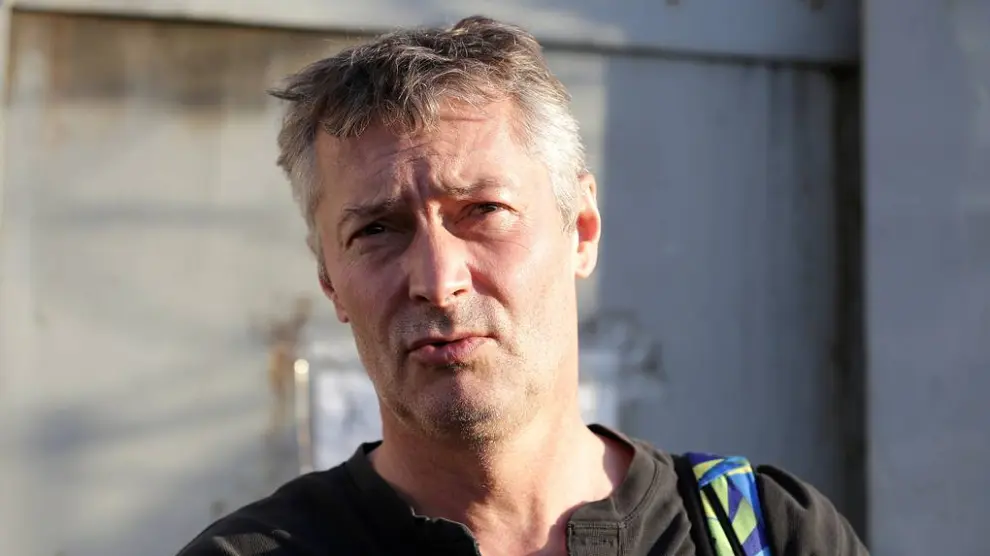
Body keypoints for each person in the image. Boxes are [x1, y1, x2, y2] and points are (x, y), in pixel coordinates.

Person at [176, 16, 868, 556]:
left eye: (484, 212)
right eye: (377, 230)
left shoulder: (764, 534)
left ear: (582, 230)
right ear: (329, 279)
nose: (438, 282)